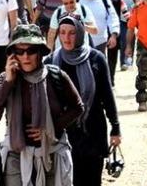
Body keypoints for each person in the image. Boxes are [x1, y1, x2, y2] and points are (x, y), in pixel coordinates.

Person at [0, 24, 83, 185]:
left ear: (40, 52)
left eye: (30, 51)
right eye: (20, 52)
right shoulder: (5, 79)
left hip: (52, 153)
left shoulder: (55, 76)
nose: (25, 57)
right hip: (16, 155)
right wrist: (9, 82)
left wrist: (50, 128)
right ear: (12, 55)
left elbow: (77, 107)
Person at [46, 16, 121, 185]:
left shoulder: (96, 58)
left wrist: (115, 128)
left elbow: (107, 96)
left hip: (93, 132)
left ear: (80, 33)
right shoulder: (51, 62)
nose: (66, 38)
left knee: (92, 180)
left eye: (72, 33)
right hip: (64, 135)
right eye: (63, 33)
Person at [77, 0, 120, 84]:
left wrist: (114, 35)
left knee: (99, 65)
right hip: (81, 40)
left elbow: (112, 17)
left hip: (101, 40)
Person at [102, 0, 129, 71]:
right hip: (101, 31)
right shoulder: (99, 0)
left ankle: (111, 78)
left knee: (112, 56)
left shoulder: (118, 0)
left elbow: (125, 12)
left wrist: (131, 23)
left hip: (114, 31)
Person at [116, 0, 139, 69]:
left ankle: (129, 61)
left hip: (132, 22)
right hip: (121, 22)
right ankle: (123, 63)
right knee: (123, 41)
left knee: (131, 41)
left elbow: (139, 8)